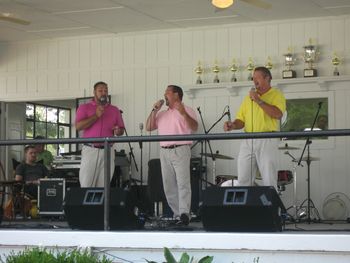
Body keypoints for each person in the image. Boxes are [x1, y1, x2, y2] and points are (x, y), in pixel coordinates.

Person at [223, 67, 286, 189]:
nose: (254, 80)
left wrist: (258, 100)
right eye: (253, 78)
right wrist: (233, 125)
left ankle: (271, 207)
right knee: (243, 179)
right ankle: (246, 207)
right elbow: (241, 120)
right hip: (248, 139)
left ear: (267, 78)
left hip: (267, 138)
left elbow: (277, 114)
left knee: (268, 178)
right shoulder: (248, 98)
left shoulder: (276, 94)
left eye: (257, 77)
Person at [146, 85, 198, 226]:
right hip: (164, 150)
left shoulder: (187, 110)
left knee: (183, 183)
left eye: (167, 92)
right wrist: (154, 110)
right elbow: (149, 127)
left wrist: (183, 113)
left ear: (176, 95)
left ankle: (184, 214)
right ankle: (177, 214)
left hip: (180, 149)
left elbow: (194, 127)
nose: (164, 95)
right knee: (168, 185)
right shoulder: (162, 113)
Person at [75, 81, 125, 187]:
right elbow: (78, 126)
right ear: (94, 92)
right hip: (91, 149)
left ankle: (101, 204)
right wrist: (96, 116)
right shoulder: (84, 107)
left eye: (105, 91)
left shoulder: (114, 109)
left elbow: (121, 130)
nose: (103, 93)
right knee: (86, 183)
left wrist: (118, 131)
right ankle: (86, 204)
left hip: (108, 150)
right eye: (100, 90)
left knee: (104, 185)